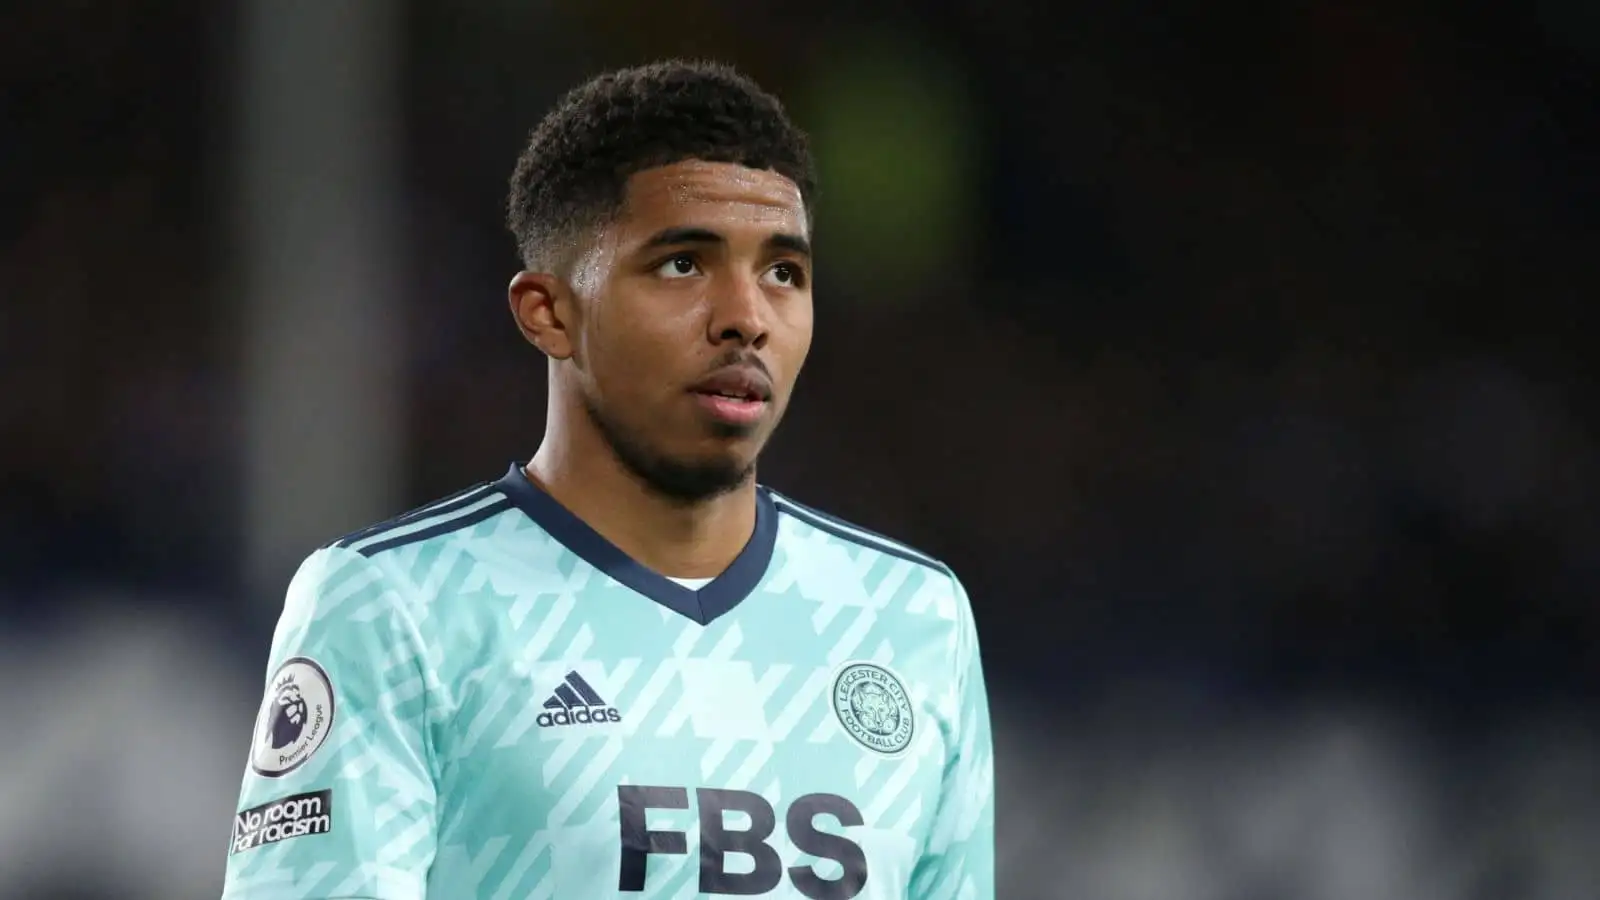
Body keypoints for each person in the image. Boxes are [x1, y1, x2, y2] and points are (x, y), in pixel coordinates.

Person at [220, 60, 993, 900]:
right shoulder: (398, 606)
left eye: (783, 272)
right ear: (549, 312)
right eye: (683, 265)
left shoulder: (913, 617)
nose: (747, 316)